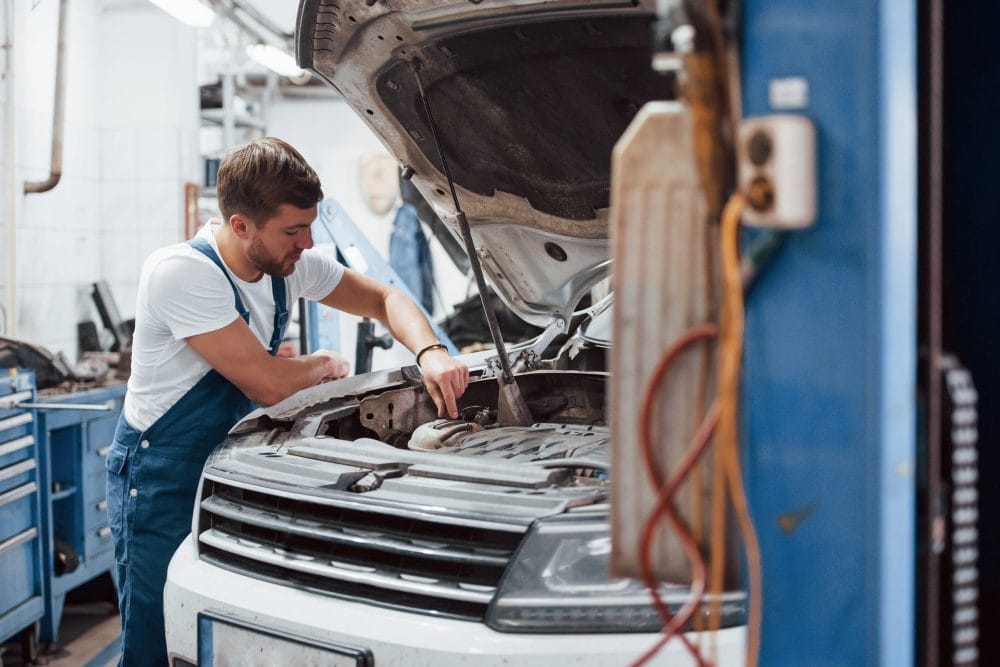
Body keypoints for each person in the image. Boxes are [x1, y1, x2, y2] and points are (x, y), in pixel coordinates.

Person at [106, 137, 469, 666]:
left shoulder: (288, 265)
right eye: (293, 231)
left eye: (310, 227)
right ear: (240, 225)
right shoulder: (181, 273)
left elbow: (385, 298)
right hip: (159, 477)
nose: (306, 243)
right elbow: (269, 384)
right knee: (156, 639)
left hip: (224, 466)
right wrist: (323, 365)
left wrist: (432, 350)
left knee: (221, 628)